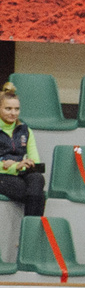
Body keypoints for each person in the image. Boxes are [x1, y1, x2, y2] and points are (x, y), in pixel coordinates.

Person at [0, 82, 44, 265]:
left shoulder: (26, 130)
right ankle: (31, 241)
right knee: (37, 196)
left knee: (37, 179)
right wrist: (10, 167)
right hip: (3, 175)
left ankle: (27, 237)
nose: (13, 113)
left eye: (16, 109)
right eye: (8, 108)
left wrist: (26, 164)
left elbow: (35, 160)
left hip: (20, 171)